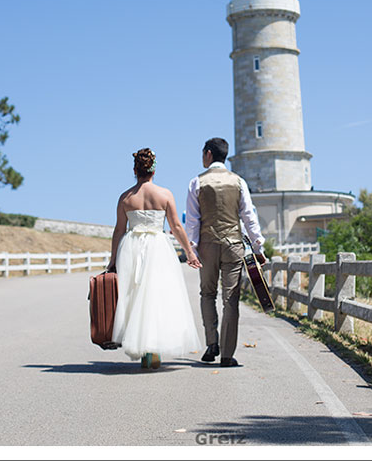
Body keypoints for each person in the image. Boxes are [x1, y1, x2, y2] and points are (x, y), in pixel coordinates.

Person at [108, 148, 203, 369]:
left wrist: (113, 259)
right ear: (153, 171)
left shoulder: (125, 198)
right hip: (158, 247)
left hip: (132, 248)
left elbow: (119, 230)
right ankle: (154, 349)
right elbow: (176, 226)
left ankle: (144, 350)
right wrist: (189, 252)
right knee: (158, 296)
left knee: (135, 296)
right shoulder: (165, 194)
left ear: (135, 170)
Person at [185, 138, 265, 368]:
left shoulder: (196, 183)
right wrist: (258, 248)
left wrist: (192, 249)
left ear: (208, 154)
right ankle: (227, 354)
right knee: (231, 299)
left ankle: (212, 343)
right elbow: (249, 217)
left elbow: (192, 221)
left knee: (207, 294)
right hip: (233, 246)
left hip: (208, 246)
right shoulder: (238, 182)